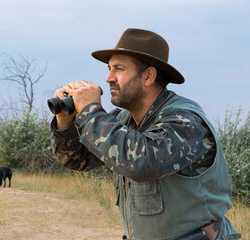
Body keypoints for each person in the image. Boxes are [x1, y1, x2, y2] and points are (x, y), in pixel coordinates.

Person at [50, 28, 242, 240]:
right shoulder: (125, 121)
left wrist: (90, 111)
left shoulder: (185, 120)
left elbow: (141, 162)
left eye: (119, 69)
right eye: (109, 68)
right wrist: (64, 120)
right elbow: (77, 160)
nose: (108, 78)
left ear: (149, 75)